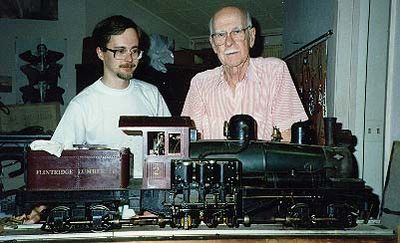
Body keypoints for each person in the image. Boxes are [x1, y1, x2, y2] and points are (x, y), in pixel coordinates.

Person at [51, 15, 171, 178]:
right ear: (101, 53)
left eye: (134, 51)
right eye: (120, 51)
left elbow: (170, 148)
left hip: (150, 192)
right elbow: (60, 161)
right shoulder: (82, 104)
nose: (129, 59)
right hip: (105, 197)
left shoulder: (151, 94)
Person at [181, 6, 307, 141]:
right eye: (220, 35)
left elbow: (288, 137)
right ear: (213, 44)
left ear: (251, 37)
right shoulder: (200, 83)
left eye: (237, 32)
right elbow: (189, 142)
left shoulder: (274, 72)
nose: (229, 42)